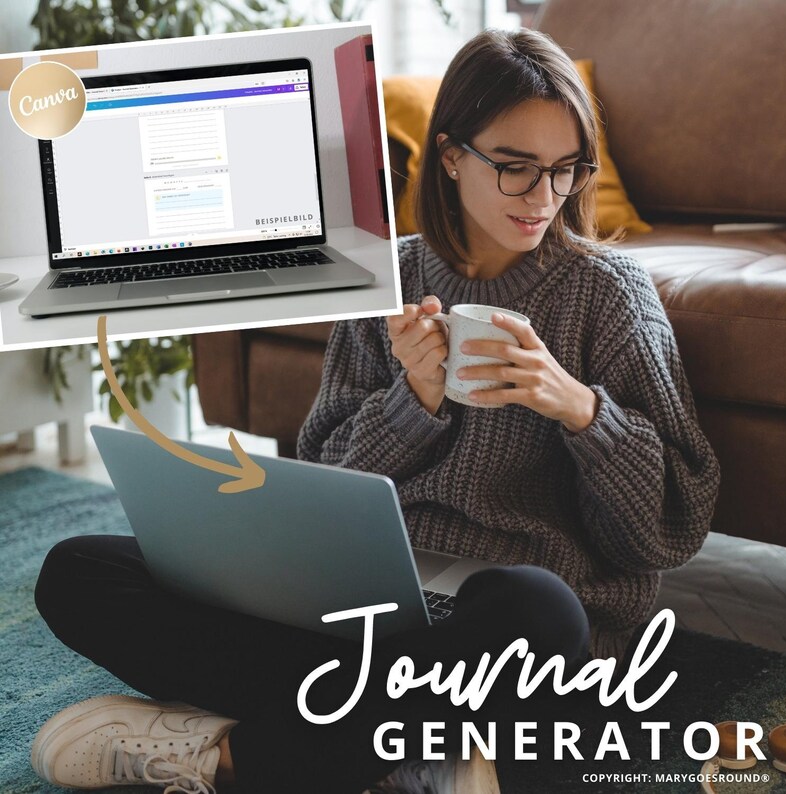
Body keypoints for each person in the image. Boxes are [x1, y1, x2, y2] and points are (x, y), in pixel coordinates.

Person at [31, 28, 718, 794]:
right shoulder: (390, 278)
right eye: (516, 169)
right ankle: (420, 754)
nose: (544, 198)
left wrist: (581, 411)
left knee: (539, 609)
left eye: (565, 171)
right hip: (365, 616)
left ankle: (229, 758)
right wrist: (411, 404)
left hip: (504, 637)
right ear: (452, 155)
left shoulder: (609, 294)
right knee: (78, 570)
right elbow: (323, 480)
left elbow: (671, 528)